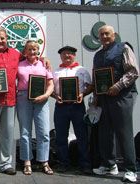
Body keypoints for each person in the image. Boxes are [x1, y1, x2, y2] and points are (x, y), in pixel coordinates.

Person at [0, 27, 50, 176]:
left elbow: (31, 57)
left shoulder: (15, 54)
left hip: (10, 100)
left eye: (2, 38)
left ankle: (5, 163)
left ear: (7, 40)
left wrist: (43, 59)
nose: (0, 41)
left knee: (7, 133)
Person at [92, 25, 139, 183]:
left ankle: (130, 169)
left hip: (122, 95)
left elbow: (133, 71)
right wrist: (96, 98)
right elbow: (96, 78)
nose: (104, 37)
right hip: (104, 97)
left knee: (123, 131)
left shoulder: (123, 48)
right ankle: (109, 165)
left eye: (107, 34)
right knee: (105, 131)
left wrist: (117, 86)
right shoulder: (98, 55)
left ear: (114, 35)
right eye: (101, 34)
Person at [52, 46, 92, 173]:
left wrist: (83, 94)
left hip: (77, 105)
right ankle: (63, 163)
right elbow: (51, 89)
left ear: (74, 56)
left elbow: (90, 86)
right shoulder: (56, 72)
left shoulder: (82, 70)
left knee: (82, 135)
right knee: (61, 136)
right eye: (64, 54)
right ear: (61, 56)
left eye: (70, 54)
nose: (67, 56)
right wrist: (56, 96)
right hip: (61, 106)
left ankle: (85, 164)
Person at [16, 40, 54, 175]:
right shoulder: (19, 65)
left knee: (43, 131)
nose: (32, 52)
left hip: (41, 99)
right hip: (23, 98)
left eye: (35, 49)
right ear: (25, 51)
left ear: (38, 51)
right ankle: (27, 161)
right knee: (25, 132)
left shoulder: (44, 65)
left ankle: (44, 161)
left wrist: (46, 95)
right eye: (29, 49)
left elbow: (51, 84)